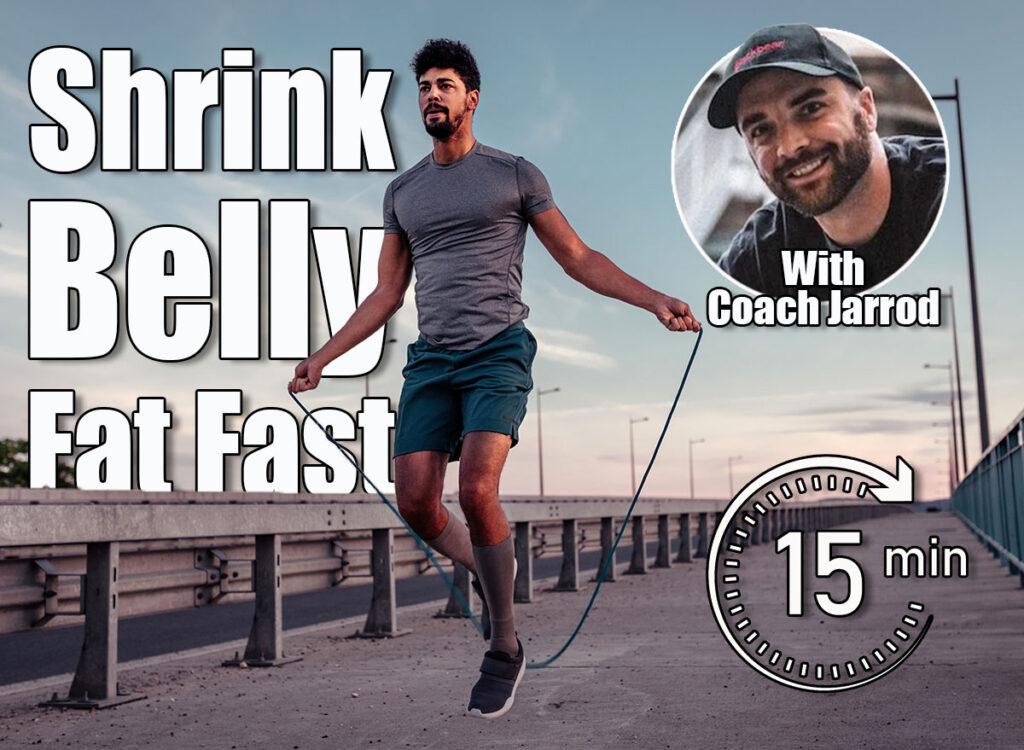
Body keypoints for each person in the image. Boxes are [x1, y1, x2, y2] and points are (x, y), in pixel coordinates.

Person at [289, 38, 700, 719]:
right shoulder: (403, 192)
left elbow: (578, 257)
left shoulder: (514, 174)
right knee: (417, 503)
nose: (431, 96)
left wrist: (654, 299)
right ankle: (492, 571)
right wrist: (323, 358)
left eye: (445, 86)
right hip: (432, 361)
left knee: (476, 488)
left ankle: (504, 645)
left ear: (471, 97)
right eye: (423, 87)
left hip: (496, 352)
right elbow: (387, 293)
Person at [706, 24, 946, 298]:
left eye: (810, 109)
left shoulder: (950, 193)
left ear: (867, 109)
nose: (790, 146)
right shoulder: (759, 257)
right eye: (761, 130)